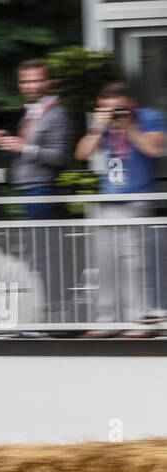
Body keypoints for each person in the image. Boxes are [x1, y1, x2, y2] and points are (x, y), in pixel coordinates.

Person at [74, 82, 166, 323]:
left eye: (119, 108)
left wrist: (129, 127)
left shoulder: (149, 118)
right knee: (105, 264)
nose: (114, 114)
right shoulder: (102, 125)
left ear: (131, 104)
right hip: (108, 201)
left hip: (137, 200)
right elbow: (82, 154)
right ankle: (107, 319)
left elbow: (155, 149)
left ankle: (137, 320)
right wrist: (97, 126)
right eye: (108, 109)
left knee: (134, 265)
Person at [0, 60, 72, 219]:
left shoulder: (58, 113)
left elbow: (61, 156)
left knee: (41, 243)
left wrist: (24, 147)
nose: (31, 86)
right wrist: (2, 143)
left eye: (37, 80)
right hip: (28, 189)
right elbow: (21, 153)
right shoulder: (31, 113)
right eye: (25, 82)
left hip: (44, 189)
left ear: (50, 82)